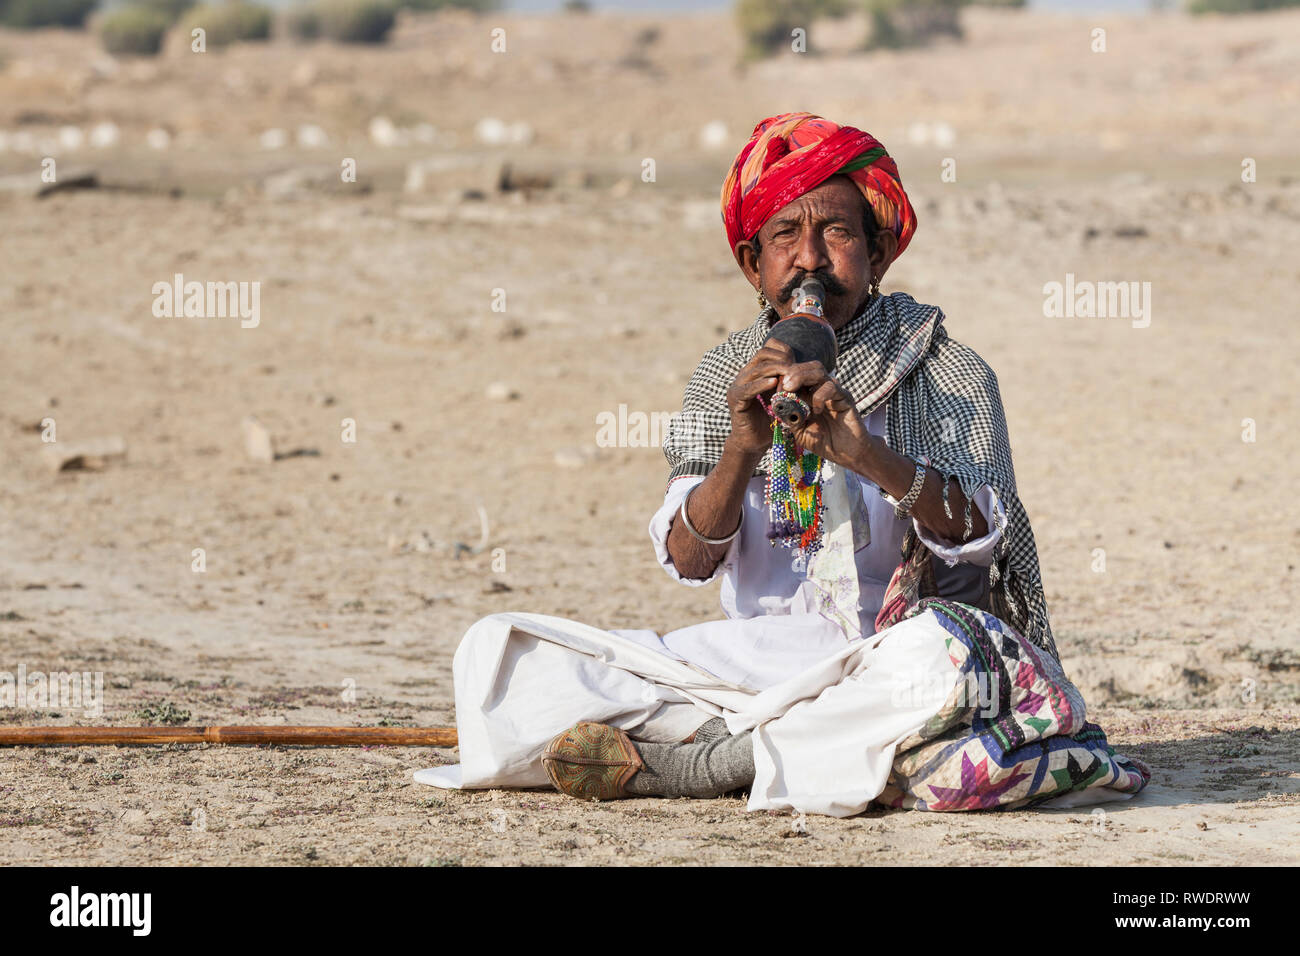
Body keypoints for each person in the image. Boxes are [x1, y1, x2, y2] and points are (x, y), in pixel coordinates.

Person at [414, 112, 1149, 817]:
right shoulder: (723, 377)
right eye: (785, 236)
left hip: (894, 658)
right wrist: (741, 449)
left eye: (836, 232)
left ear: (879, 253)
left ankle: (698, 766)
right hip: (750, 672)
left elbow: (981, 544)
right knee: (498, 654)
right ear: (751, 263)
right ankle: (794, 745)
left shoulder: (948, 371)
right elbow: (690, 558)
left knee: (949, 663)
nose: (810, 260)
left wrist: (869, 456)